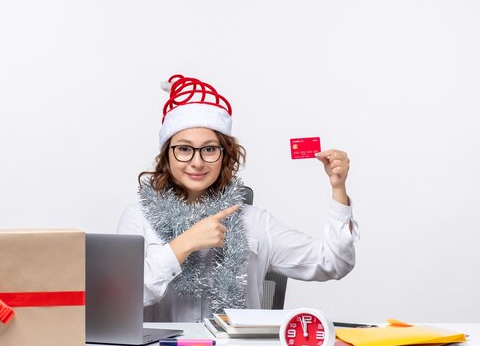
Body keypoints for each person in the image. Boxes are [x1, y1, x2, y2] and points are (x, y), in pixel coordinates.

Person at [116, 74, 359, 323]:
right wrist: (183, 245)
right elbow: (119, 299)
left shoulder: (255, 222)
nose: (197, 162)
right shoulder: (138, 218)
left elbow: (334, 263)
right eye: (184, 149)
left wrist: (338, 189)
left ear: (225, 155)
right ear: (167, 155)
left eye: (209, 149)